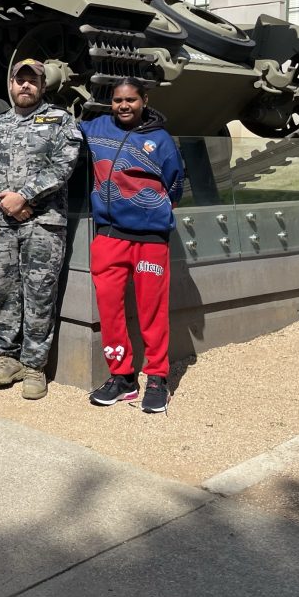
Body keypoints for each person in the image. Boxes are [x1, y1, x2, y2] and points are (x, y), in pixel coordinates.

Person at [0, 59, 83, 400]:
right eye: (19, 80)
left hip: (43, 222)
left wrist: (23, 196)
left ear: (42, 85)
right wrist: (5, 200)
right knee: (6, 291)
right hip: (5, 226)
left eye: (31, 81)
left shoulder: (60, 120)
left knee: (39, 294)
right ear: (10, 84)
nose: (25, 86)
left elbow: (64, 164)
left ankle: (35, 365)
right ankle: (7, 359)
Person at [82, 79, 184, 414]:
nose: (123, 106)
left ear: (144, 100)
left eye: (130, 100)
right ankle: (122, 377)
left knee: (151, 312)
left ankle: (157, 377)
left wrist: (152, 211)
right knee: (110, 311)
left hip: (150, 239)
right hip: (109, 236)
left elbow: (175, 183)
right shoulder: (95, 128)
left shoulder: (161, 140)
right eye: (117, 100)